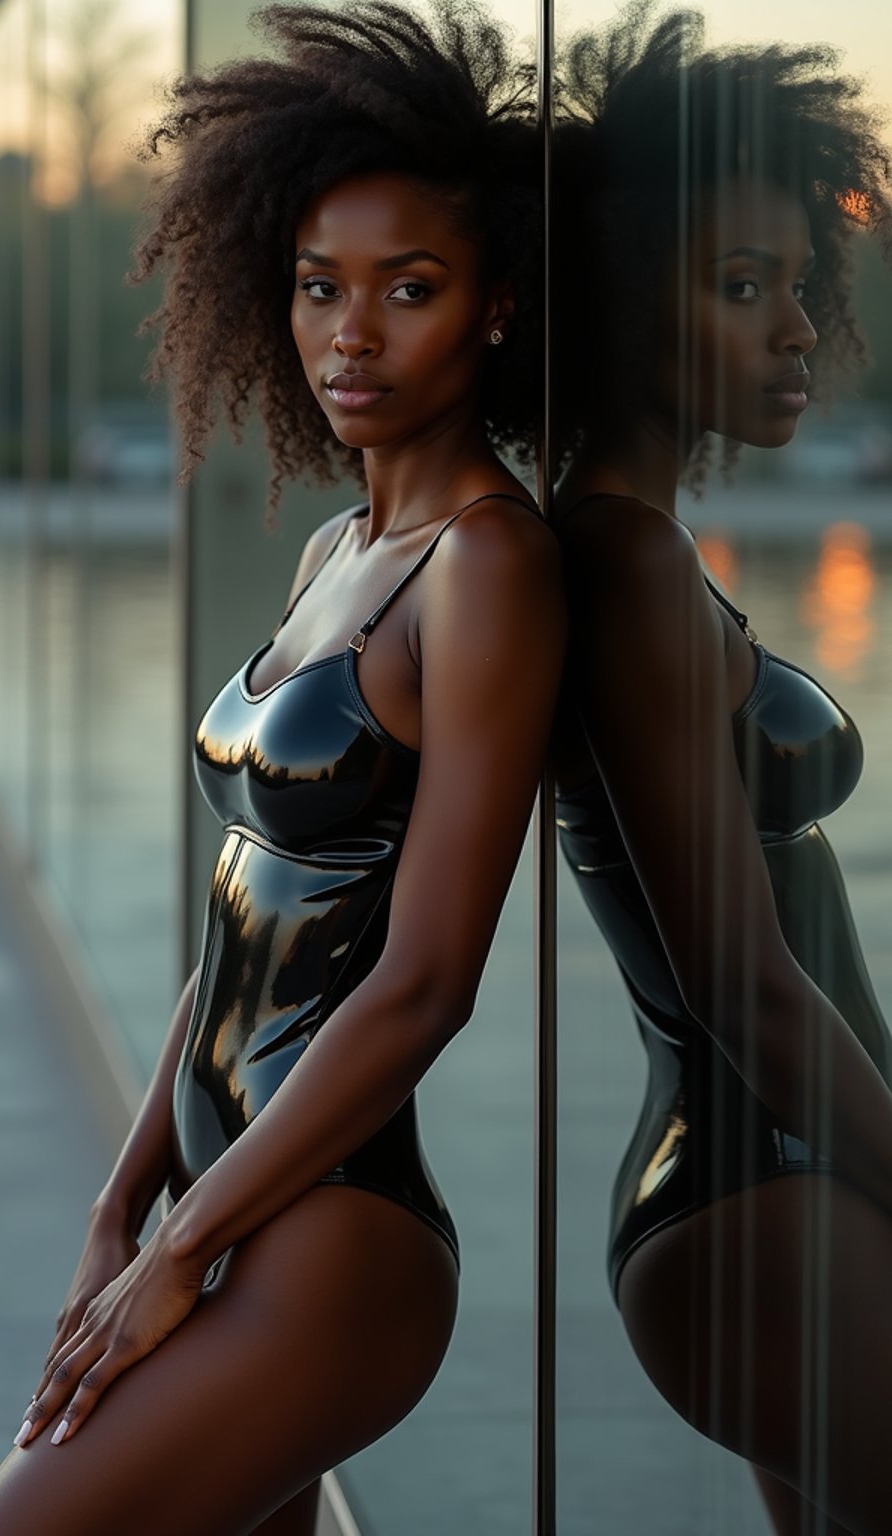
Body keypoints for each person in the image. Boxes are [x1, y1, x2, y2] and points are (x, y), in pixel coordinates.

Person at [0, 4, 560, 1534]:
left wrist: (176, 1255)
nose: (352, 333)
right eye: (318, 288)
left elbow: (423, 981)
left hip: (331, 1245)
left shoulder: (488, 570)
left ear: (495, 307)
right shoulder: (341, 548)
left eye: (409, 291)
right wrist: (120, 1209)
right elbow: (240, 919)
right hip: (215, 1215)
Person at [549, 4, 892, 1532]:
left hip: (780, 1194)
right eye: (742, 288)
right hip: (761, 1205)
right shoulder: (620, 572)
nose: (797, 329)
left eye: (800, 287)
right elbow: (748, 986)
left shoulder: (644, 558)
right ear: (627, 304)